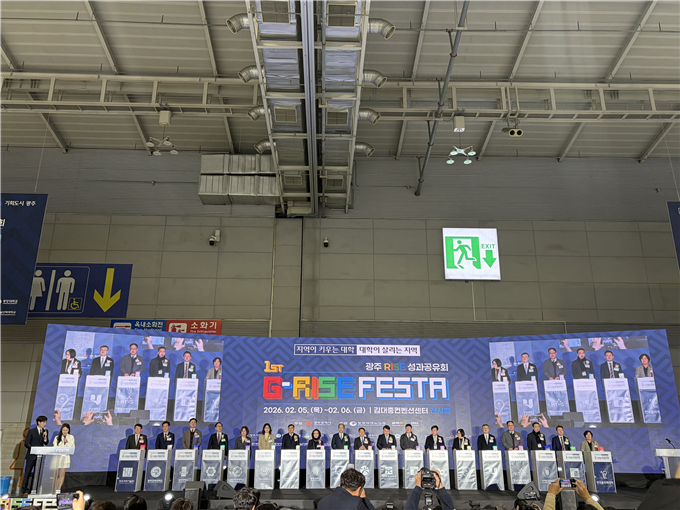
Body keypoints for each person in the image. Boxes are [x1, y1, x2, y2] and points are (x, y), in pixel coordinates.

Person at [22, 415, 49, 496]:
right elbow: (26, 443)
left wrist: (45, 437)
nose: (44, 424)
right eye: (43, 422)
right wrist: (34, 449)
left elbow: (46, 442)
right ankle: (25, 490)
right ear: (39, 422)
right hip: (31, 455)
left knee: (37, 473)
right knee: (28, 472)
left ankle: (33, 489)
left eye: (45, 422)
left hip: (39, 456)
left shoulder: (45, 431)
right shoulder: (31, 431)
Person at [53, 423, 75, 491]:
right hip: (58, 457)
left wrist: (67, 442)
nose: (65, 431)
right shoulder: (57, 437)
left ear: (68, 430)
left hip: (65, 457)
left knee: (62, 473)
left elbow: (72, 448)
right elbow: (55, 447)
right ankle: (54, 489)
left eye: (66, 430)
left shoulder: (71, 437)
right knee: (56, 474)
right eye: (64, 430)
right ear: (61, 430)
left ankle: (58, 489)